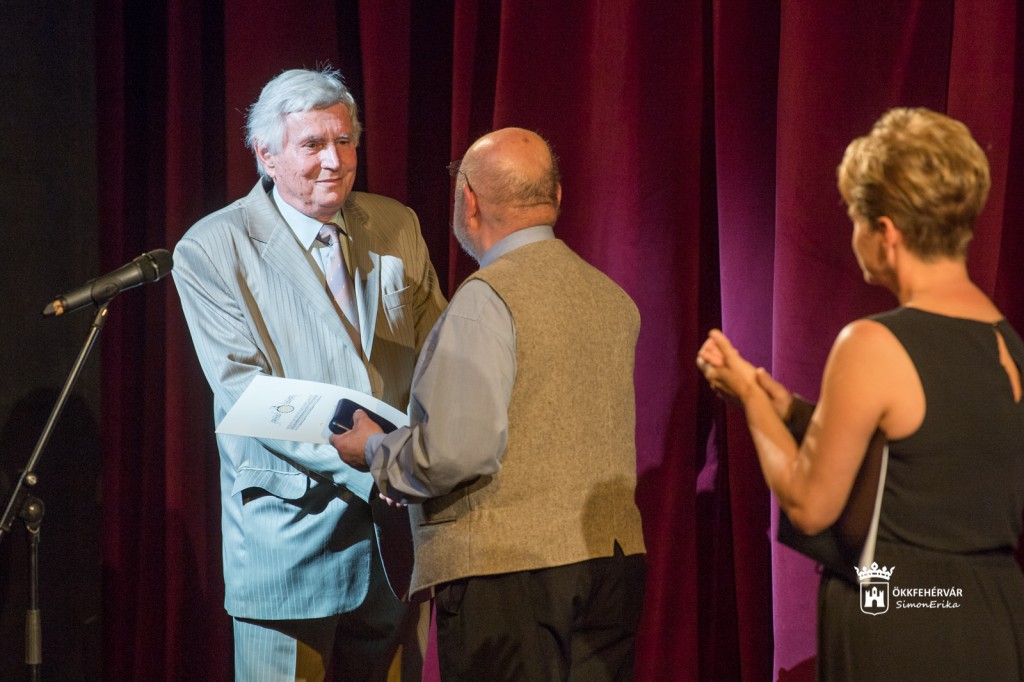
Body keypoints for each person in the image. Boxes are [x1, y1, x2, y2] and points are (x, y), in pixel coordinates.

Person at [697, 107, 1024, 679]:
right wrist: (787, 410)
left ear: (887, 233)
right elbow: (925, 456)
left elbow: (809, 504)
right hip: (991, 615)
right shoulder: (1008, 344)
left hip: (901, 617)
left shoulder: (872, 343)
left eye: (854, 217)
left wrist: (748, 396)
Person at [332, 127, 647, 681]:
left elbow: (456, 451)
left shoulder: (485, 299)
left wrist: (376, 449)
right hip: (611, 567)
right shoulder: (611, 296)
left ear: (469, 201)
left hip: (510, 577)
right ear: (556, 196)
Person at [173, 66, 446, 681]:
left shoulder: (396, 224)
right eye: (313, 144)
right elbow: (246, 391)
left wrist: (424, 457)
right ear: (265, 155)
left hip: (398, 542)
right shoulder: (212, 247)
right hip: (289, 539)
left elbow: (440, 355)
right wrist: (381, 459)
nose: (335, 161)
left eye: (345, 140)